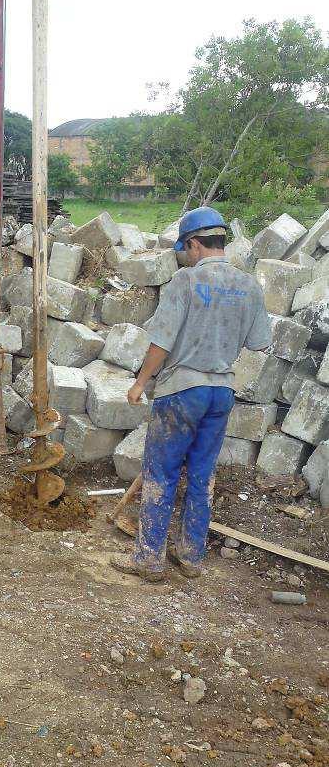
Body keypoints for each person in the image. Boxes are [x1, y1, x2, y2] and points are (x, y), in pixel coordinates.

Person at [113, 206, 271, 582]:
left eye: (185, 248)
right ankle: (190, 556)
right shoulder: (249, 285)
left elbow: (161, 343)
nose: (184, 255)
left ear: (195, 243)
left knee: (161, 474)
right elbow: (259, 342)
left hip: (182, 391)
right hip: (221, 393)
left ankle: (149, 559)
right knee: (202, 476)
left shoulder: (183, 283)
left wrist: (139, 383)